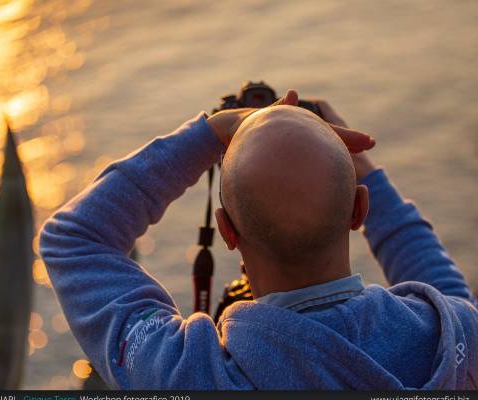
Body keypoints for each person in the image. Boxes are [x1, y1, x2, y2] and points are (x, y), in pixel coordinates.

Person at [39, 90, 477, 389]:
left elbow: (75, 238)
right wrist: (360, 169)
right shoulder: (453, 341)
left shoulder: (189, 374)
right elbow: (451, 295)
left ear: (227, 231)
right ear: (359, 211)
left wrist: (208, 135)